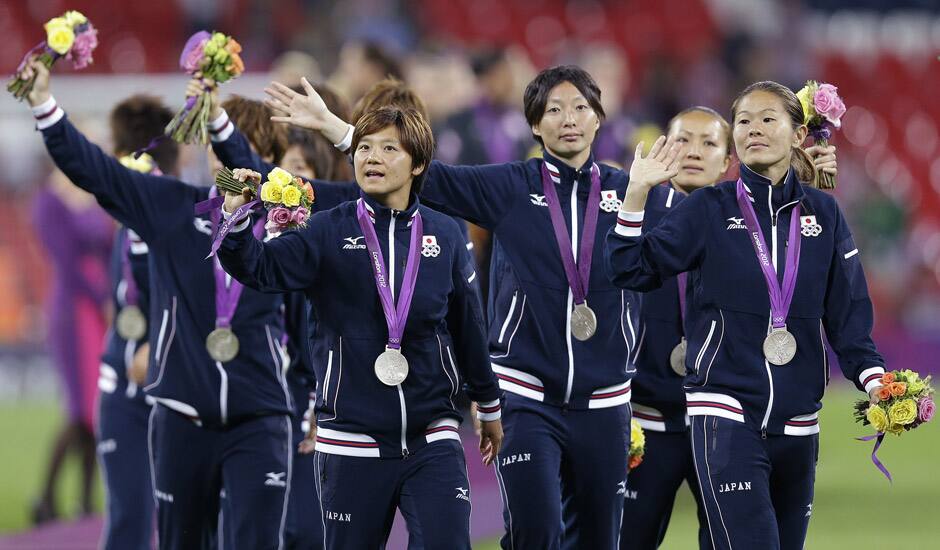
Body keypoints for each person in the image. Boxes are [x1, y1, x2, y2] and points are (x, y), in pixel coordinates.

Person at [265, 65, 640, 549]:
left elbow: (665, 265)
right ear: (533, 123)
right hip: (526, 396)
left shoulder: (631, 190)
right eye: (553, 109)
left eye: (580, 108)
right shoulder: (510, 186)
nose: (568, 119)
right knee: (537, 534)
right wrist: (339, 131)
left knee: (601, 541)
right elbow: (417, 178)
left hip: (606, 401)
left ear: (599, 118)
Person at [21, 56, 294, 549]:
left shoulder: (288, 222)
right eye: (219, 146)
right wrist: (44, 105)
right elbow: (97, 172)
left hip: (259, 420)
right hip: (182, 418)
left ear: (269, 159)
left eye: (244, 147)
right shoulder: (172, 207)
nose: (229, 159)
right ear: (207, 154)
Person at [605, 81, 884, 550]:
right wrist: (635, 194)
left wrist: (876, 380)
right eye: (744, 121)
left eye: (768, 118)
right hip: (724, 410)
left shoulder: (825, 215)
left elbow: (847, 313)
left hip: (799, 421)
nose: (753, 128)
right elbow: (629, 268)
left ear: (798, 135)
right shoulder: (708, 209)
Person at [216, 106, 504, 549]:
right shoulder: (325, 231)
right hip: (351, 440)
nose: (372, 157)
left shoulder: (445, 233)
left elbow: (468, 325)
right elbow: (260, 269)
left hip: (432, 434)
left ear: (419, 163)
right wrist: (234, 224)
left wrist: (487, 404)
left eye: (389, 148)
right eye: (365, 147)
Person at [95, 94, 179, 549]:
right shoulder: (124, 214)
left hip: (174, 392)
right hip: (120, 392)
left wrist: (160, 339)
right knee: (128, 518)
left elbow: (194, 299)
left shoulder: (176, 214)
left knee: (183, 524)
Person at [31, 155, 112, 525]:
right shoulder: (49, 201)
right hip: (74, 310)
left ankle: (83, 499)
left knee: (93, 411)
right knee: (81, 409)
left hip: (96, 310)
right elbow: (65, 261)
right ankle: (46, 496)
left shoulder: (86, 194)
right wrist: (102, 298)